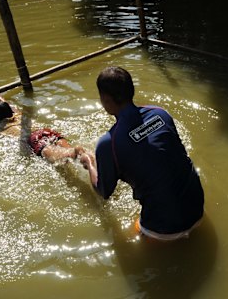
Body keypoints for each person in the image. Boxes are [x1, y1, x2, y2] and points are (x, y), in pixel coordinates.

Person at [79, 66, 205, 241]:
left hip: (164, 229)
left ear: (105, 99)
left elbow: (104, 191)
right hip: (198, 208)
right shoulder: (160, 114)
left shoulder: (109, 143)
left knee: (131, 239)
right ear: (132, 90)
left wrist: (89, 164)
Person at [0, 88, 83, 163]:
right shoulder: (18, 114)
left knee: (58, 155)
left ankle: (71, 153)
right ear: (10, 111)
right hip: (44, 130)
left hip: (33, 138)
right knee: (70, 151)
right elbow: (7, 104)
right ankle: (76, 152)